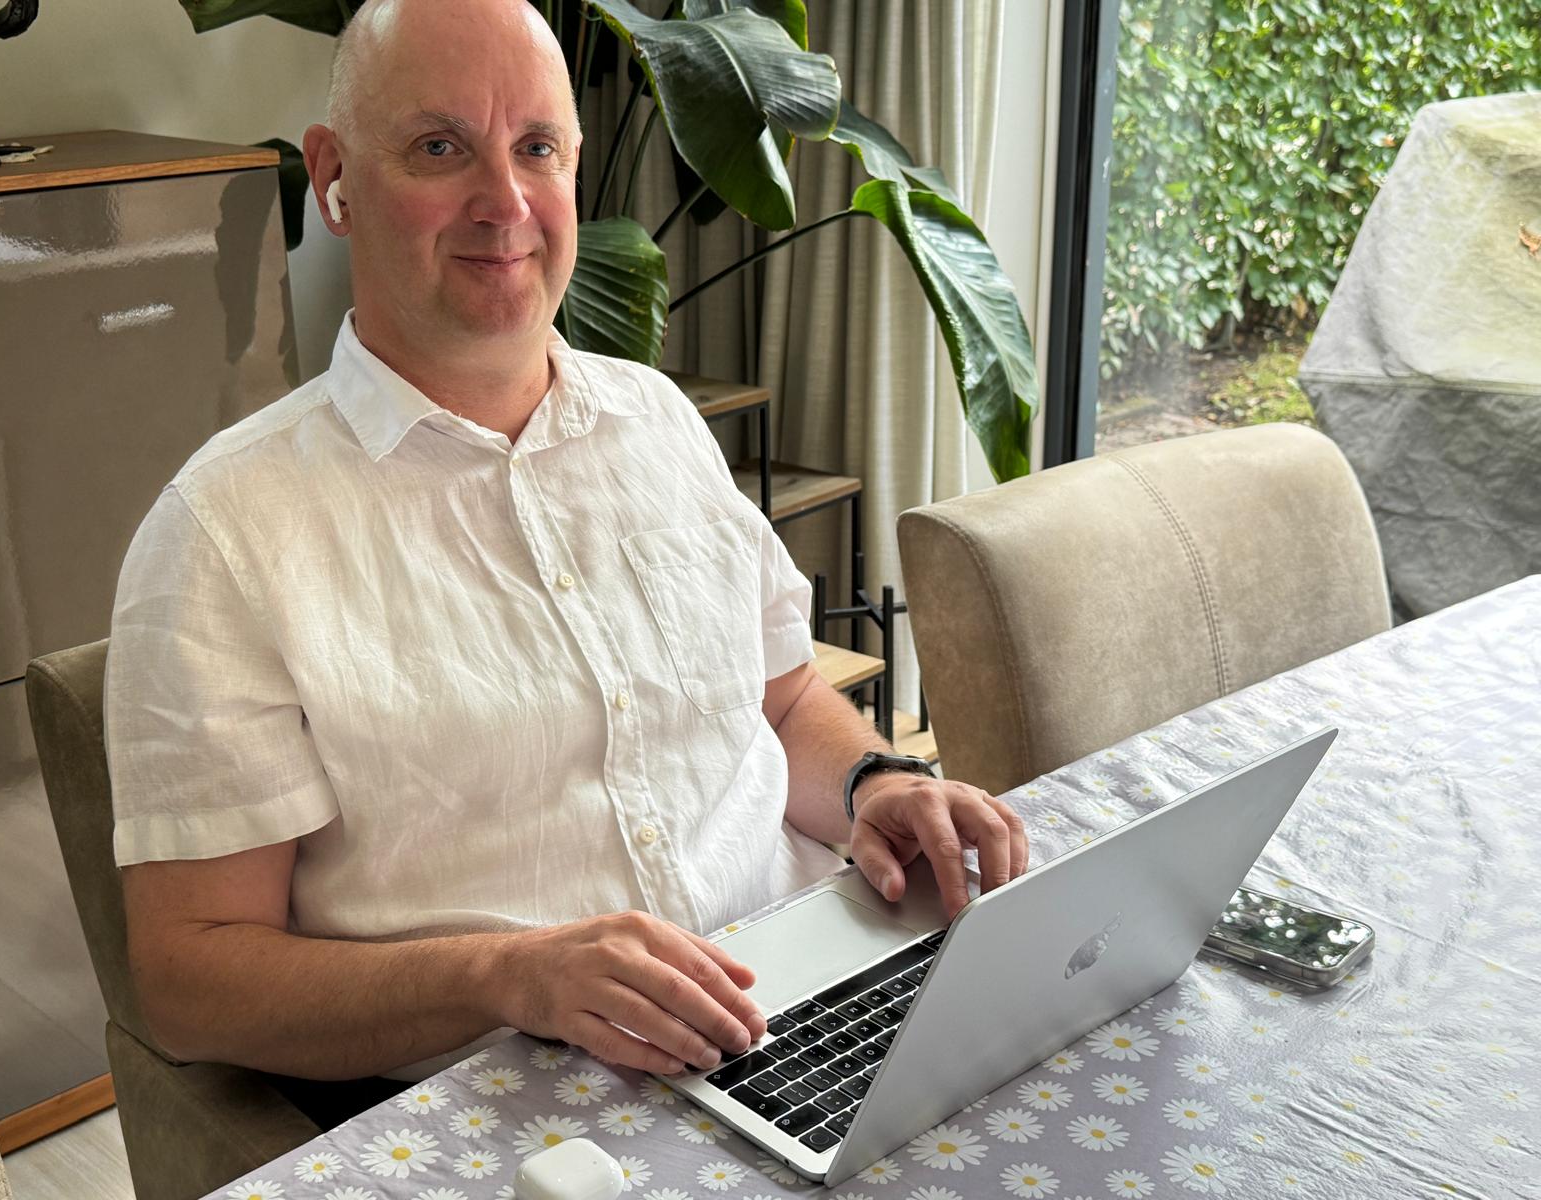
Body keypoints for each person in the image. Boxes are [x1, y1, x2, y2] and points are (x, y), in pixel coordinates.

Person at [105, 0, 1027, 1122]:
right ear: (336, 179)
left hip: (809, 988)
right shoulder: (224, 533)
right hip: (524, 1106)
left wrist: (873, 785)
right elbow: (190, 981)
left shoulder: (658, 422)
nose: (504, 205)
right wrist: (511, 974)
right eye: (440, 148)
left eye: (536, 148)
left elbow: (781, 699)